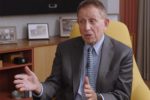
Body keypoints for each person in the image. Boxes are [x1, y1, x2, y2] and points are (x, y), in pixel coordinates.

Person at [14, 0, 133, 100]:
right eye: (82, 21)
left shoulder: (122, 53)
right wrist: (39, 87)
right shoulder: (64, 48)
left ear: (105, 24)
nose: (86, 27)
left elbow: (123, 94)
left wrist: (98, 97)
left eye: (92, 21)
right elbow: (55, 84)